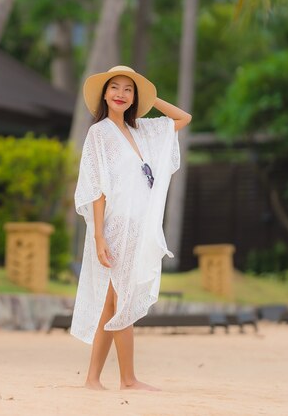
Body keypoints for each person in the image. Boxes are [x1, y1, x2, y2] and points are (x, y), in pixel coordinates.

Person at [70, 65, 192, 391]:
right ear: (104, 94)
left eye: (128, 89)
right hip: (115, 226)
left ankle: (94, 379)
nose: (121, 94)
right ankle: (127, 379)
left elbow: (182, 119)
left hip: (139, 226)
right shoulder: (100, 133)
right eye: (115, 88)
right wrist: (98, 236)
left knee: (113, 303)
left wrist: (151, 99)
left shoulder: (142, 132)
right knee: (120, 301)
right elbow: (96, 188)